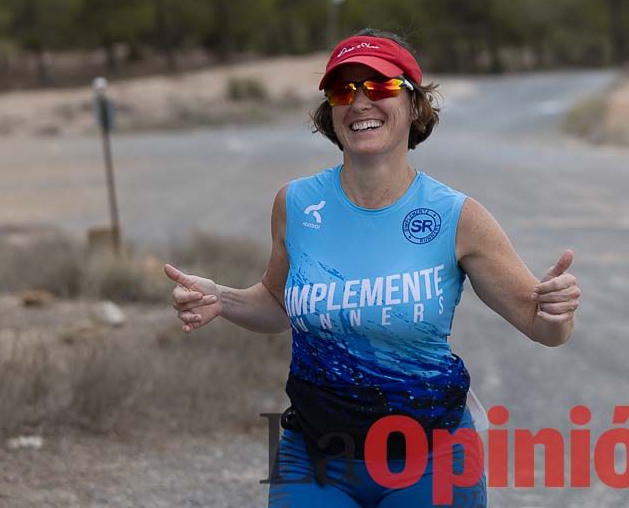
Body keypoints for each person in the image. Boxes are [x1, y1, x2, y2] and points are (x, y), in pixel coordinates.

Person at [165, 29, 581, 507]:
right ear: (330, 112)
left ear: (414, 104)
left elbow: (541, 325)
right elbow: (278, 303)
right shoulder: (296, 204)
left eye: (379, 87)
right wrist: (223, 297)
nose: (360, 102)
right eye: (343, 91)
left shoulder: (457, 216)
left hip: (430, 459)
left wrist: (555, 314)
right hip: (315, 457)